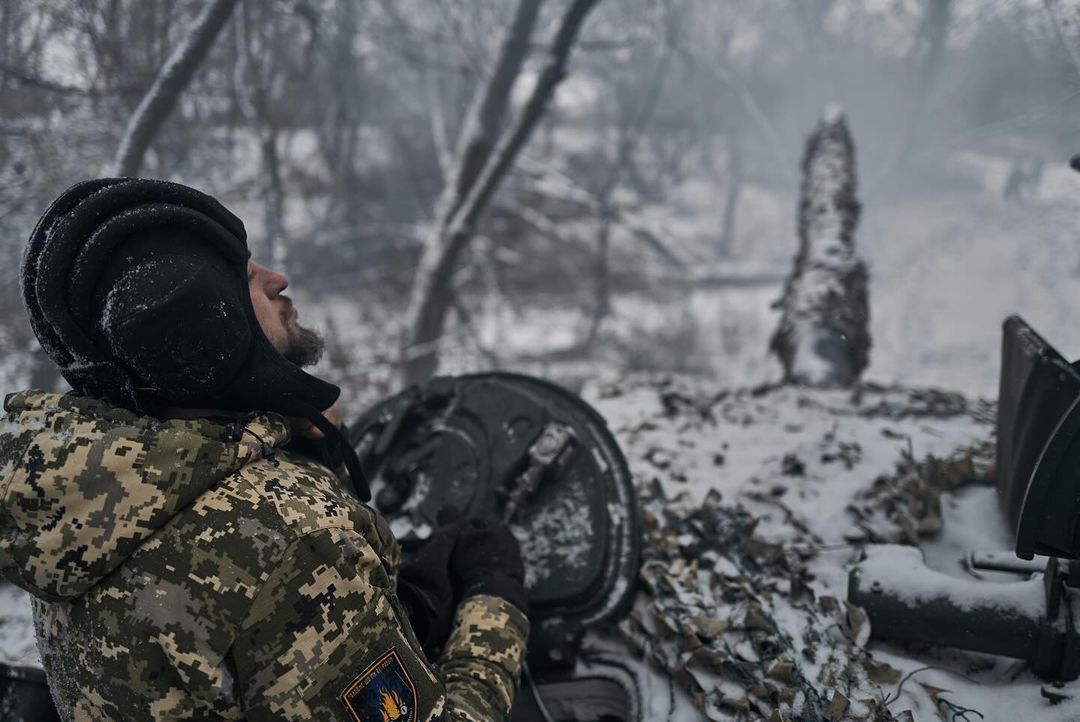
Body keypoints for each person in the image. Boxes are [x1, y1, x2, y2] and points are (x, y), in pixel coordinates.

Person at [0, 178, 529, 721]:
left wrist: (292, 450)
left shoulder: (70, 500)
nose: (280, 280)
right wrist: (493, 603)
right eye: (249, 278)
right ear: (202, 328)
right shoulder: (293, 536)